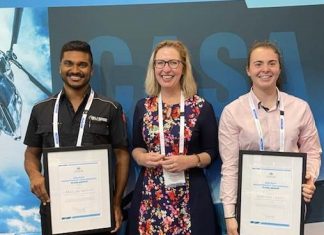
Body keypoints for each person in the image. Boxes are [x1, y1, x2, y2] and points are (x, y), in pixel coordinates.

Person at [23, 40, 130, 234]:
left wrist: (115, 203)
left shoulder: (110, 108)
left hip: (98, 210)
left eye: (82, 64)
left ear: (91, 70)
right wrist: (34, 175)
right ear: (60, 67)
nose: (75, 70)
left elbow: (122, 157)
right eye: (69, 63)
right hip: (54, 208)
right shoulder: (41, 109)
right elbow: (31, 154)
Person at [218, 40, 322, 235]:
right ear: (248, 70)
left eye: (272, 63)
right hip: (251, 205)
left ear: (279, 68)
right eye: (258, 64)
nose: (265, 69)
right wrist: (229, 215)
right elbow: (230, 166)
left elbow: (313, 151)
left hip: (290, 203)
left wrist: (309, 178)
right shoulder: (232, 112)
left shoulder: (300, 108)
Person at [127, 40, 220, 235]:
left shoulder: (202, 107)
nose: (165, 69)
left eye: (173, 63)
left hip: (190, 196)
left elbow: (212, 153)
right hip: (150, 197)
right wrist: (141, 158)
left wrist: (190, 160)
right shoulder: (143, 107)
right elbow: (136, 146)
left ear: (183, 67)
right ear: (153, 68)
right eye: (160, 63)